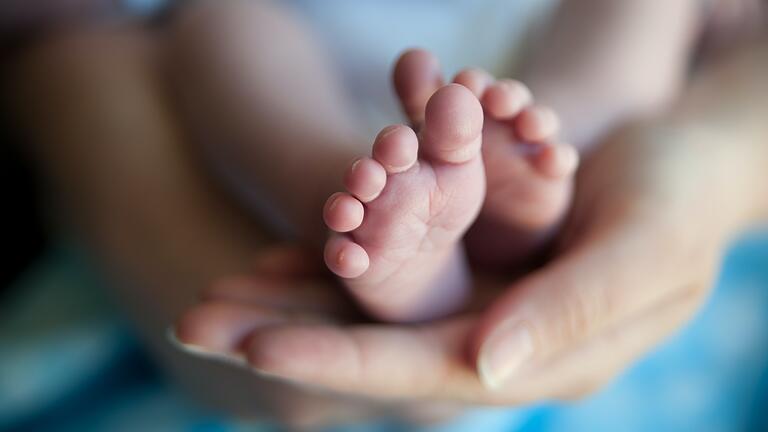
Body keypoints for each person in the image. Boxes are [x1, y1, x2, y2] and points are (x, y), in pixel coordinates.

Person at [4, 0, 767, 429]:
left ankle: (548, 156)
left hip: (535, 54)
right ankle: (334, 190)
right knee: (220, 25)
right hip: (321, 51)